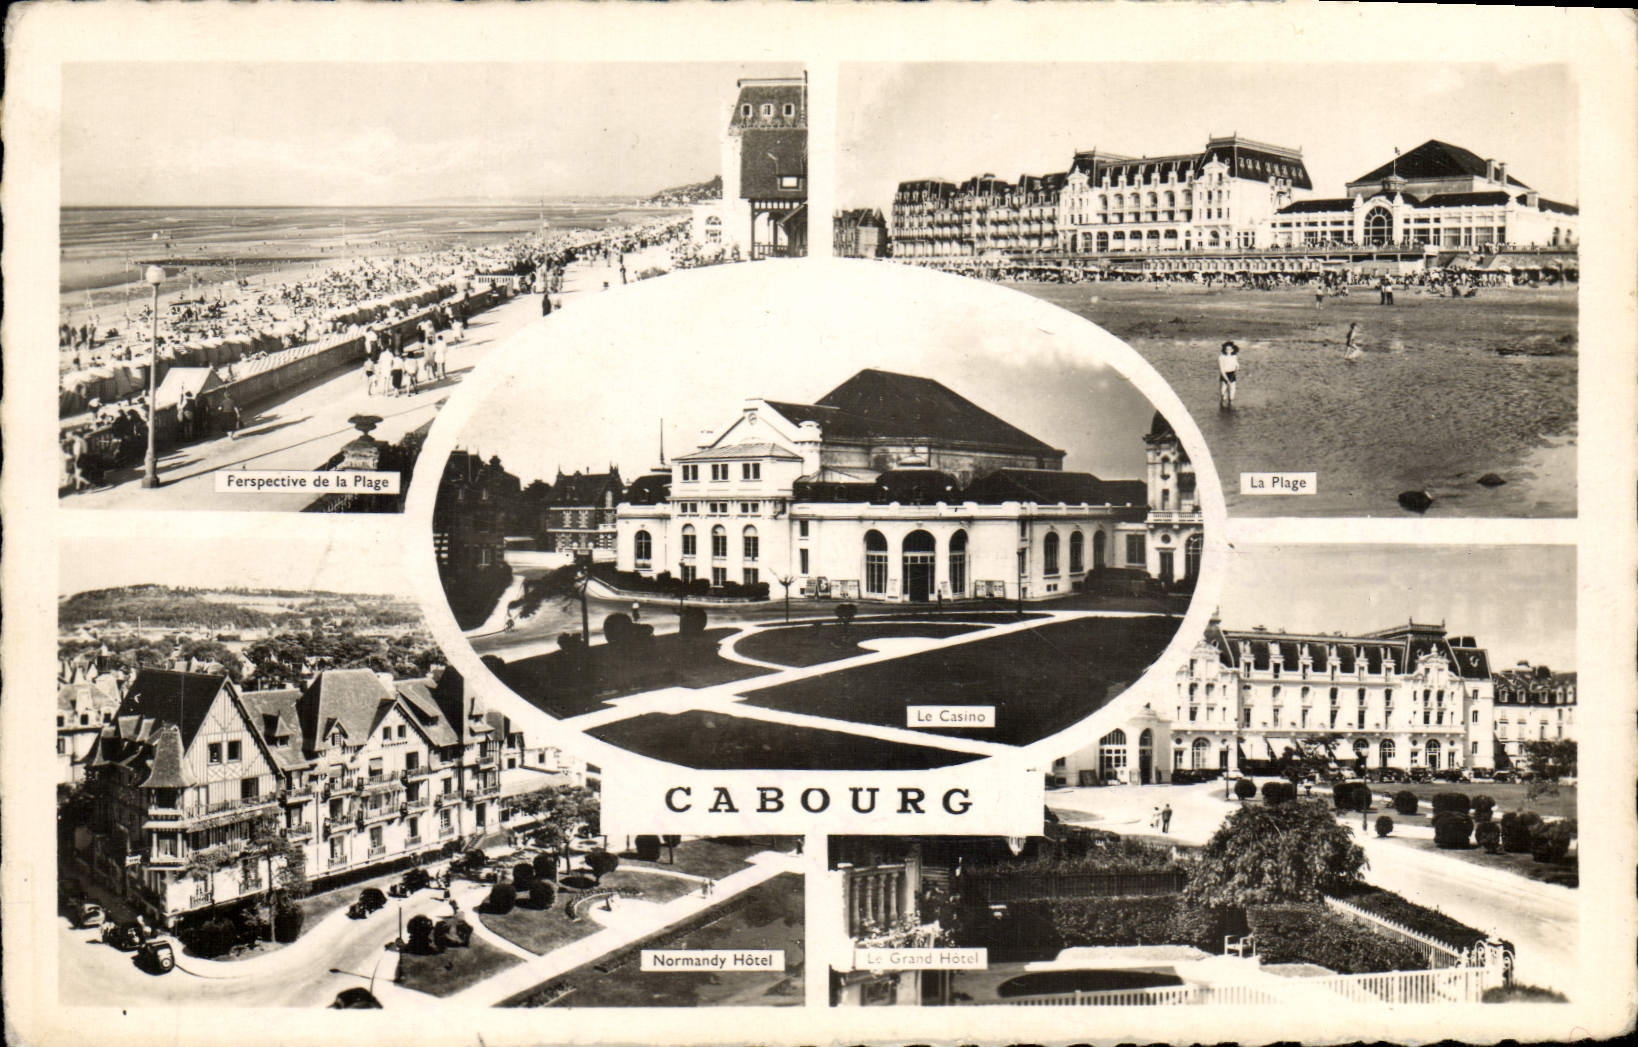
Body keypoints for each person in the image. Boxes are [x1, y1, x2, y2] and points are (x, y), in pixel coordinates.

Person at [1218, 341, 1240, 408]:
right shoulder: (1221, 357)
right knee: (1223, 394)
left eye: (1229, 349)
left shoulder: (1234, 356)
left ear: (1232, 350)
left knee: (1231, 396)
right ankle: (1222, 407)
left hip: (1232, 374)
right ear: (1224, 349)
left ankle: (1230, 407)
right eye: (1226, 349)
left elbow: (1237, 365)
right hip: (1224, 375)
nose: (1228, 351)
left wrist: (1237, 368)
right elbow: (1221, 370)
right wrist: (1227, 380)